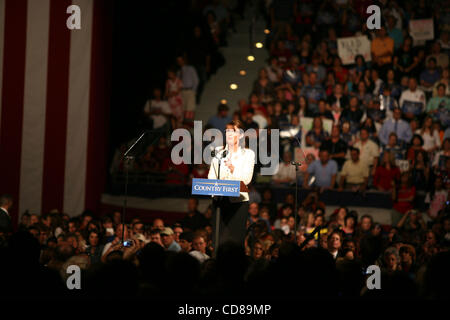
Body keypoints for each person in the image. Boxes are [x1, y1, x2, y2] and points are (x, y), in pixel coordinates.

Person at [208, 120, 255, 248]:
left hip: (238, 203)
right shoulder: (218, 151)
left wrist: (233, 169)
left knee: (235, 241)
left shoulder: (248, 154)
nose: (229, 134)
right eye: (227, 131)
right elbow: (211, 176)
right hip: (219, 201)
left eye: (233, 131)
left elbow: (246, 179)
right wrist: (218, 183)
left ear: (240, 135)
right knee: (218, 240)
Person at [176, 56, 199, 124]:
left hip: (190, 90)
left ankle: (189, 126)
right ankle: (183, 126)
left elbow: (196, 80)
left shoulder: (190, 68)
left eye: (180, 60)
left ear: (184, 61)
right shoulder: (178, 71)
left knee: (190, 109)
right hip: (181, 92)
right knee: (182, 109)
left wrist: (193, 91)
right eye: (178, 61)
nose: (179, 62)